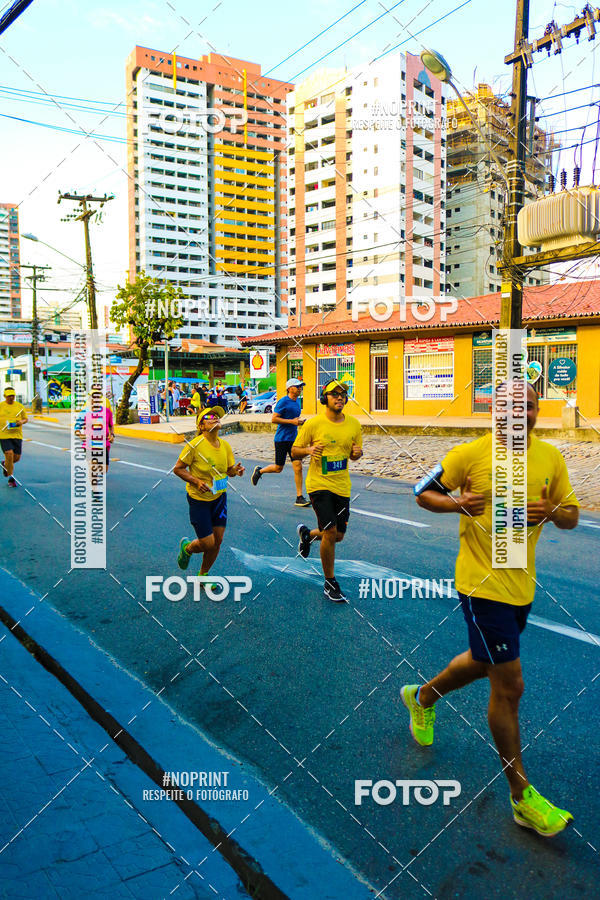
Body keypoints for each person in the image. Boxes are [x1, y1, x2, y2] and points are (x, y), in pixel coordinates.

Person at [401, 381, 579, 837]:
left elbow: (572, 514)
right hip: (481, 585)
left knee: (484, 662)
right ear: (497, 411)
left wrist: (552, 511)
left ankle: (422, 697)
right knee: (510, 685)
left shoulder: (550, 457)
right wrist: (456, 501)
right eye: (514, 408)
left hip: (521, 582)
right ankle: (522, 798)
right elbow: (422, 491)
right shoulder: (470, 454)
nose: (524, 415)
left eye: (533, 407)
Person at [292, 379, 363, 602]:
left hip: (342, 485)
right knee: (331, 532)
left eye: (343, 393)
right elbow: (294, 452)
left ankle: (308, 535)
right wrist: (309, 449)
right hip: (319, 485)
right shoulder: (313, 424)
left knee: (337, 536)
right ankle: (330, 582)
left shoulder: (354, 424)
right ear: (325, 398)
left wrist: (356, 454)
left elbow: (354, 454)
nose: (340, 397)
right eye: (335, 394)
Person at [174, 406, 245, 577]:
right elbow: (178, 469)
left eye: (217, 416)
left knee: (217, 541)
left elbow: (228, 471)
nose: (215, 418)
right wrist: (196, 481)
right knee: (207, 543)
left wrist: (235, 471)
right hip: (199, 500)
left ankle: (203, 574)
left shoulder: (225, 446)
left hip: (219, 498)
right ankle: (188, 548)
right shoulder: (194, 445)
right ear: (201, 426)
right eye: (210, 416)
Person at [251, 377, 310, 507]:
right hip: (282, 439)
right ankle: (259, 471)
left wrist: (300, 422)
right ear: (290, 388)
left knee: (298, 467)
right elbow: (274, 419)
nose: (300, 388)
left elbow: (294, 418)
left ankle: (299, 497)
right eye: (298, 386)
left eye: (301, 386)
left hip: (294, 439)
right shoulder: (283, 401)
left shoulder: (297, 402)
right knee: (278, 468)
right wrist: (292, 422)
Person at [0, 386, 28, 488]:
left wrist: (21, 422)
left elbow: (26, 419)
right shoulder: (1, 406)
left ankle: (5, 464)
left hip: (17, 435)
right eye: (9, 396)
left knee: (16, 458)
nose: (11, 398)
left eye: (13, 396)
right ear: (4, 396)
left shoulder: (19, 406)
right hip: (4, 435)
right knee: (9, 454)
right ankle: (11, 479)